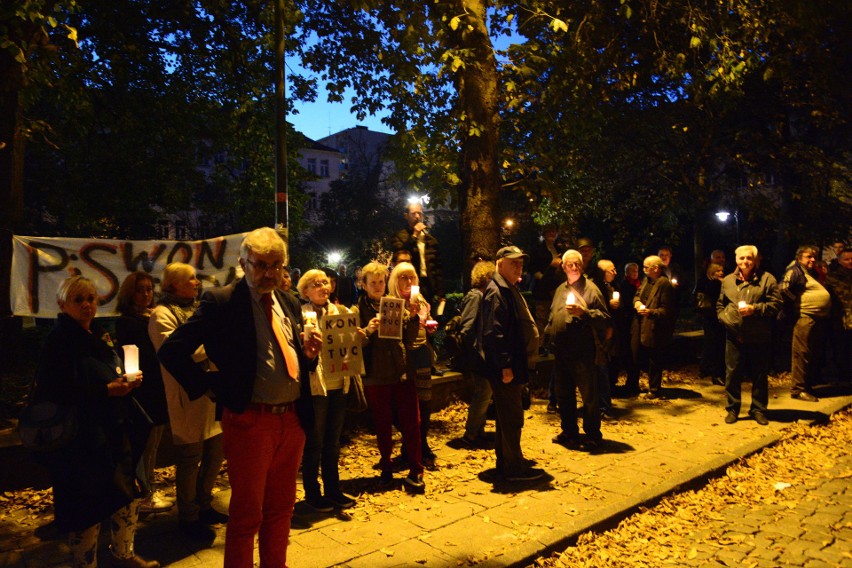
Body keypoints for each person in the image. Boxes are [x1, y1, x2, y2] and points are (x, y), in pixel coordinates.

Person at [157, 227, 322, 568]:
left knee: (281, 509)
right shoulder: (222, 301)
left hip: (292, 419)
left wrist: (309, 354)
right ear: (243, 263)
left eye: (276, 265)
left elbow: (295, 359)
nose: (269, 273)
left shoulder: (288, 301)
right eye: (260, 265)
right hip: (251, 421)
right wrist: (213, 386)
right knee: (247, 515)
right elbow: (172, 350)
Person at [33, 276, 158, 568]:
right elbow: (56, 392)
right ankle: (85, 563)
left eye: (91, 298)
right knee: (86, 508)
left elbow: (107, 370)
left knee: (127, 495)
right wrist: (106, 389)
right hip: (82, 441)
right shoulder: (59, 342)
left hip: (113, 430)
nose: (87, 305)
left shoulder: (98, 333)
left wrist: (125, 381)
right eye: (79, 300)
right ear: (63, 304)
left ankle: (124, 554)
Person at [149, 263, 227, 541]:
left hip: (211, 391)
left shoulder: (196, 310)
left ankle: (204, 504)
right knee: (190, 457)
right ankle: (188, 515)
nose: (196, 283)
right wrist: (209, 345)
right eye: (190, 279)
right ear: (173, 285)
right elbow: (179, 351)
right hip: (186, 394)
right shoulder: (161, 315)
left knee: (216, 453)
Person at [355, 262, 425, 490]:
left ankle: (416, 469)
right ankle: (386, 466)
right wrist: (368, 330)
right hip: (376, 374)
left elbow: (409, 340)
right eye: (372, 282)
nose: (377, 286)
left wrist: (414, 318)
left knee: (412, 422)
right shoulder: (357, 310)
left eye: (381, 281)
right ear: (363, 285)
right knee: (383, 424)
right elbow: (355, 343)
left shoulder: (395, 305)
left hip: (402, 372)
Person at [296, 269, 359, 511]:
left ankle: (333, 489)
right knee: (314, 441)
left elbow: (351, 347)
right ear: (305, 291)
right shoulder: (301, 315)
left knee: (333, 442)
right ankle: (313, 493)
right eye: (315, 284)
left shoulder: (340, 313)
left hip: (338, 384)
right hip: (316, 387)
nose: (322, 287)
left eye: (325, 282)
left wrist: (360, 337)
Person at [479, 246, 544, 482]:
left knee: (507, 417)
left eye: (521, 263)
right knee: (512, 417)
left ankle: (507, 462)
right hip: (506, 368)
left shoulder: (507, 288)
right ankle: (514, 470)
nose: (519, 266)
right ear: (500, 264)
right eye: (513, 262)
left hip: (512, 364)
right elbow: (493, 333)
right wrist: (505, 365)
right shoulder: (497, 292)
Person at [115, 272, 173, 515]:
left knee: (156, 441)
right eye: (140, 290)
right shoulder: (128, 321)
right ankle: (145, 491)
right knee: (145, 442)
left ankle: (149, 486)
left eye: (149, 289)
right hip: (144, 389)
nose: (146, 294)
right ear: (130, 293)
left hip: (159, 387)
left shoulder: (154, 316)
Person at [546, 250, 610, 450]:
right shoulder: (559, 290)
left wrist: (585, 313)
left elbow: (605, 318)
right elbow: (552, 315)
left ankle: (592, 434)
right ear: (563, 267)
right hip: (562, 351)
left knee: (589, 395)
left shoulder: (591, 289)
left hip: (582, 351)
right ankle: (569, 431)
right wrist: (548, 334)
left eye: (577, 264)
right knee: (564, 394)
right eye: (570, 264)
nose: (574, 267)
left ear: (581, 267)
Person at [716, 246, 782, 425]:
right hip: (734, 335)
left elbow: (776, 304)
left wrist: (755, 309)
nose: (745, 262)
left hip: (758, 335)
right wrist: (724, 318)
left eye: (749, 259)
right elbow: (720, 304)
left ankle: (758, 409)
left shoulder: (767, 279)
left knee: (759, 375)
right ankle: (732, 408)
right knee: (732, 374)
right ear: (736, 259)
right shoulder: (728, 280)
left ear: (755, 260)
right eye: (741, 258)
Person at [388, 261, 438, 468]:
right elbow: (390, 333)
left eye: (412, 277)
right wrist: (408, 315)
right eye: (404, 277)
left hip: (422, 355)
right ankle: (410, 444)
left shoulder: (421, 300)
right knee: (403, 407)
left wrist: (429, 326)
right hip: (402, 360)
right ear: (395, 280)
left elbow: (426, 322)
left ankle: (420, 444)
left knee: (425, 405)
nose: (409, 281)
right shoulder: (392, 302)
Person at [780, 245, 832, 402]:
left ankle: (807, 385)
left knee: (811, 352)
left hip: (814, 318)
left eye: (814, 256)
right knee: (801, 353)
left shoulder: (807, 272)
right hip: (805, 317)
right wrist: (795, 306)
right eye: (809, 256)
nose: (813, 259)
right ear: (799, 257)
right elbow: (783, 289)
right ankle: (798, 389)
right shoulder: (795, 270)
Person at [458, 260, 496, 448]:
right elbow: (467, 328)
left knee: (485, 392)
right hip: (477, 355)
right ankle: (471, 434)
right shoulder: (476, 297)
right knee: (483, 392)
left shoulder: (483, 296)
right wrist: (475, 350)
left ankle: (477, 431)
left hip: (481, 354)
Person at [628, 255, 677, 399]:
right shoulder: (647, 280)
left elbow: (667, 310)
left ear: (656, 268)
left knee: (654, 358)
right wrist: (637, 303)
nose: (643, 270)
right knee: (634, 354)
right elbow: (637, 295)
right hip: (639, 323)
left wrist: (650, 312)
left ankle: (654, 389)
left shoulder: (664, 284)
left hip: (654, 326)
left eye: (645, 267)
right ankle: (632, 385)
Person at [391, 201, 444, 304]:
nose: (417, 216)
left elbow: (438, 267)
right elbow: (401, 255)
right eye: (413, 213)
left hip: (428, 285)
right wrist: (414, 235)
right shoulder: (399, 236)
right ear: (406, 216)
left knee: (428, 315)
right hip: (409, 283)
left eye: (419, 213)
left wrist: (441, 293)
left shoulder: (430, 240)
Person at [696, 262, 727, 385]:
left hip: (716, 316)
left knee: (713, 343)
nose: (721, 273)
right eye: (718, 271)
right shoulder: (711, 283)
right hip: (711, 317)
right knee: (714, 343)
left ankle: (706, 367)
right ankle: (715, 372)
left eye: (722, 270)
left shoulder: (718, 282)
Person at [595, 259, 619, 418]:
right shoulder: (598, 287)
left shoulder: (611, 286)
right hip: (601, 331)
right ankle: (603, 404)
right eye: (612, 270)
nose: (615, 273)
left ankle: (604, 402)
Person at [826, 248, 852, 383]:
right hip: (839, 320)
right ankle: (843, 378)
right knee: (841, 350)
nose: (850, 262)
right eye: (846, 259)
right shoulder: (833, 277)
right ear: (840, 261)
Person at [615, 262, 641, 396]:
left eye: (637, 271)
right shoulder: (624, 286)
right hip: (627, 323)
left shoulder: (639, 284)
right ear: (627, 273)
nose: (635, 273)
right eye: (632, 271)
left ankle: (633, 383)